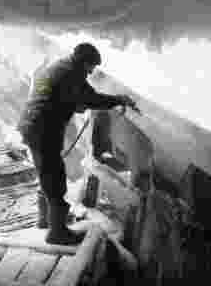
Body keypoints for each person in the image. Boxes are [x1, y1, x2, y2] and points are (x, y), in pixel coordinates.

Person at [18, 42, 138, 245]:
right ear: (83, 62)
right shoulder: (70, 73)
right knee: (54, 177)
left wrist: (77, 101)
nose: (91, 73)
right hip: (42, 130)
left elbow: (81, 93)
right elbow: (90, 97)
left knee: (47, 172)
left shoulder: (62, 66)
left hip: (33, 125)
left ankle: (45, 221)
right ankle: (57, 232)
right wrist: (119, 99)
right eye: (90, 68)